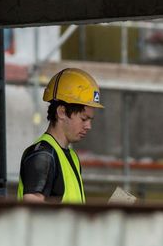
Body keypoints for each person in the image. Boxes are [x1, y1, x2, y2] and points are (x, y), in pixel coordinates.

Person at [18, 68, 103, 204]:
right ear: (62, 112)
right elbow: (33, 212)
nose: (88, 126)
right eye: (83, 119)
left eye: (90, 120)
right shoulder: (43, 156)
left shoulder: (71, 156)